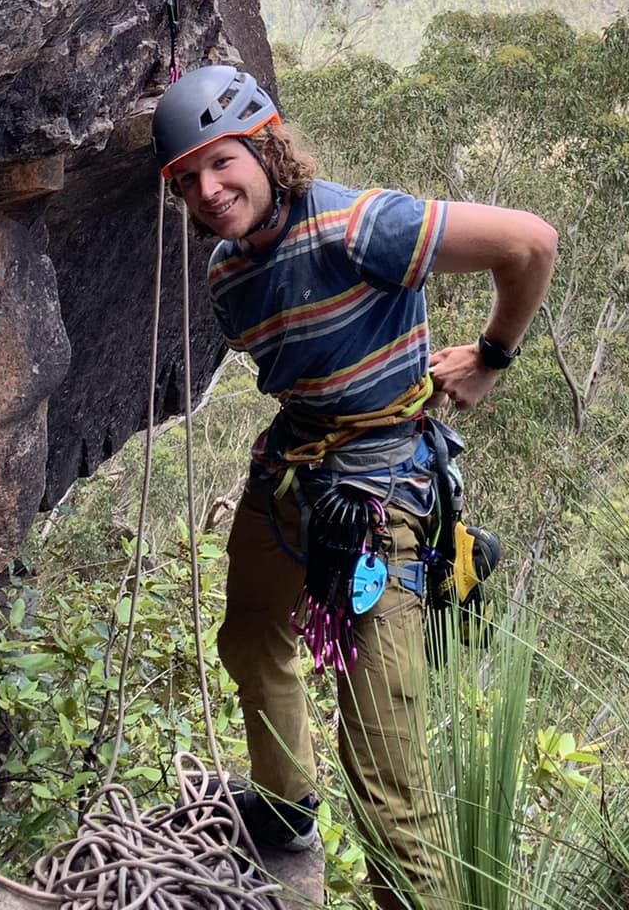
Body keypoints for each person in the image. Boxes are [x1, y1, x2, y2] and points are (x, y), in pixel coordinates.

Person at [152, 66, 557, 910]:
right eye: (186, 180)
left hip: (381, 500)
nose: (208, 189)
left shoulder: (357, 224)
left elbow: (530, 242)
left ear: (264, 145)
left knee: (383, 768)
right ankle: (286, 803)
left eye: (220, 162)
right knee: (252, 635)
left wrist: (490, 357)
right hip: (292, 475)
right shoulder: (229, 275)